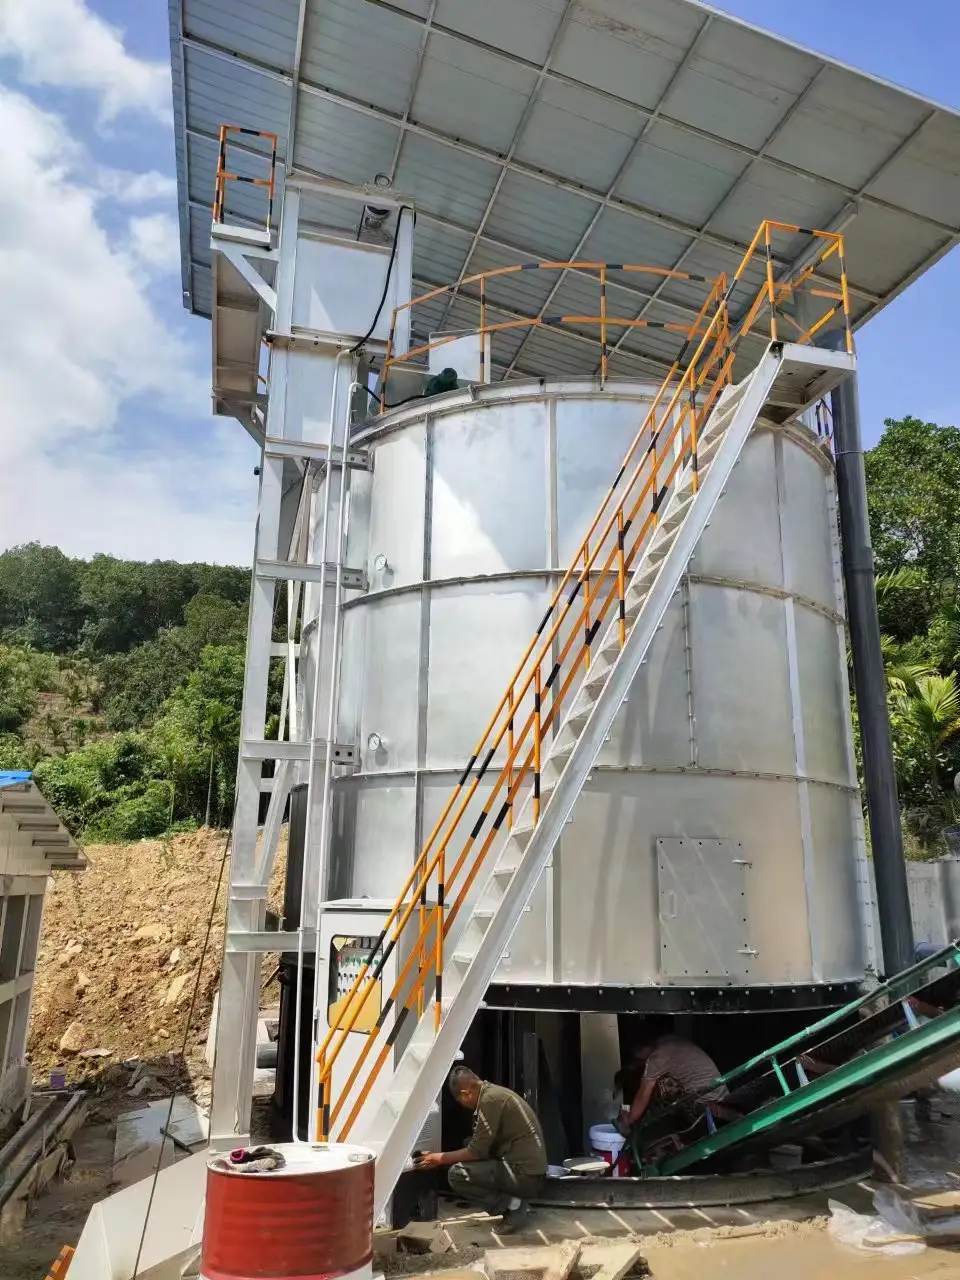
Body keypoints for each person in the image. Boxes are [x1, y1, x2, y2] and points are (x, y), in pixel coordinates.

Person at [414, 1065, 547, 1230]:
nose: (462, 1105)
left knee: (457, 1175)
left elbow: (477, 1151)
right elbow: (480, 1146)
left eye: (460, 1101)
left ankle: (514, 1206)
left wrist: (437, 1158)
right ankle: (515, 1203)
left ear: (465, 1094)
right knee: (466, 1147)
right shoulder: (494, 1094)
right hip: (525, 1171)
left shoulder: (489, 1101)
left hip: (525, 1176)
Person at [618, 1024, 730, 1133]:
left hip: (705, 1105)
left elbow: (644, 1094)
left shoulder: (658, 1057)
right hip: (722, 1097)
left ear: (638, 1050)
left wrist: (629, 1119)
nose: (641, 1063)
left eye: (638, 1060)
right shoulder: (670, 1040)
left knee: (662, 1107)